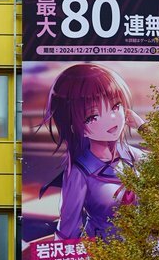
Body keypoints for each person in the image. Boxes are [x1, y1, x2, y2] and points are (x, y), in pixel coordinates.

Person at [38, 63, 146, 241]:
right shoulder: (79, 171)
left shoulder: (132, 155)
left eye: (115, 106)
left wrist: (143, 127)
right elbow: (68, 229)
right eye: (93, 116)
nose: (112, 119)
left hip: (142, 252)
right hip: (103, 257)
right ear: (75, 126)